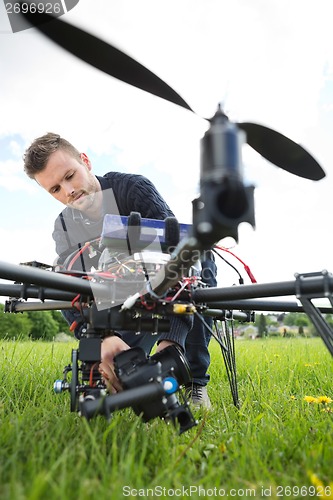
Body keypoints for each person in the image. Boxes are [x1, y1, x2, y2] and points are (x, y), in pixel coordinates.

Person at [23, 132, 216, 405]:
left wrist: (172, 339)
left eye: (69, 176)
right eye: (55, 189)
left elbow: (178, 257)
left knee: (202, 259)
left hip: (158, 286)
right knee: (121, 371)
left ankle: (195, 381)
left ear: (86, 161)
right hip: (114, 301)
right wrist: (103, 337)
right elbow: (68, 287)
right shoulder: (64, 225)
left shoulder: (133, 189)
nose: (68, 191)